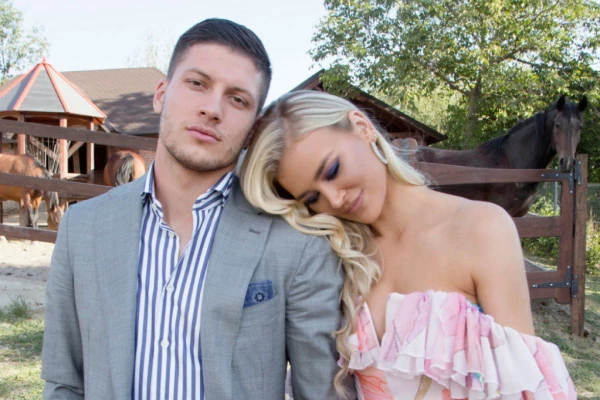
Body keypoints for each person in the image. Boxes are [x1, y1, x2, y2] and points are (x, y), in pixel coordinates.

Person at [41, 20, 351, 399]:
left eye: (237, 99)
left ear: (253, 130)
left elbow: (321, 391)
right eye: (197, 83)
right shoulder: (82, 228)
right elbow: (64, 382)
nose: (212, 109)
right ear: (161, 94)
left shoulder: (296, 243)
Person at [240, 90, 577, 399]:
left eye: (332, 170)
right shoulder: (337, 254)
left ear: (362, 127)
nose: (334, 199)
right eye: (312, 198)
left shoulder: (482, 228)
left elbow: (523, 387)